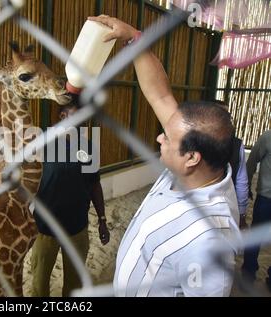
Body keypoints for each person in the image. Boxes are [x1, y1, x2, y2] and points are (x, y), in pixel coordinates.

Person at [88, 15, 240, 297]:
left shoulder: (208, 239)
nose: (159, 137)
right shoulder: (196, 164)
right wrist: (134, 37)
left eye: (167, 137)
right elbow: (160, 95)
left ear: (192, 158)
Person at [30, 104, 110, 297]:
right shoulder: (42, 144)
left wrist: (102, 220)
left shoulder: (88, 147)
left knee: (74, 284)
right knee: (39, 283)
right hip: (45, 228)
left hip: (77, 227)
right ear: (62, 115)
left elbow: (94, 185)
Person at [242, 129, 271, 289]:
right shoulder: (268, 137)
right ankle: (248, 274)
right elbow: (251, 162)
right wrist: (246, 187)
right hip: (267, 198)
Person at [215, 100, 249, 229]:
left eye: (228, 115)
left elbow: (241, 180)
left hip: (227, 205)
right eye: (220, 114)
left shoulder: (236, 145)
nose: (226, 119)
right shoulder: (194, 143)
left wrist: (241, 212)